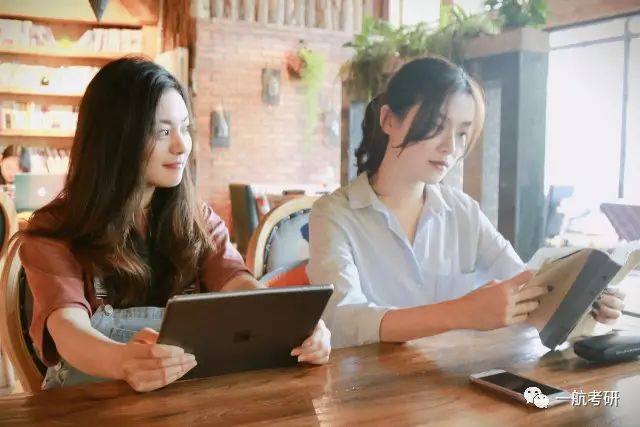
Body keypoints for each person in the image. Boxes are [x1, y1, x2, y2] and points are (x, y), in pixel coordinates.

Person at [13, 57, 330, 392]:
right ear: (115, 137)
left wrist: (294, 325)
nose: (181, 146)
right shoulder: (52, 231)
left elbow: (239, 289)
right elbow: (67, 329)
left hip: (183, 401)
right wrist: (123, 362)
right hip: (88, 401)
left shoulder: (198, 221)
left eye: (185, 128)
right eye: (163, 131)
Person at [307, 57, 623, 348]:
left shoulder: (463, 212)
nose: (450, 147)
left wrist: (586, 299)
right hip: (370, 393)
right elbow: (342, 321)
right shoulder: (335, 214)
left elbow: (527, 286)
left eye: (461, 134)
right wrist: (461, 313)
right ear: (389, 120)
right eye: (436, 125)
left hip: (455, 386)